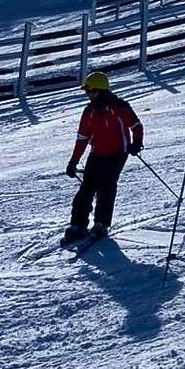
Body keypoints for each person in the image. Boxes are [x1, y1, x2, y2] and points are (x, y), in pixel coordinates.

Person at [61, 72, 143, 246]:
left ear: (102, 90)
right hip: (97, 153)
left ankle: (101, 224)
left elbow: (136, 126)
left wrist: (136, 143)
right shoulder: (89, 111)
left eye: (91, 91)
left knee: (106, 186)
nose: (88, 95)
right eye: (87, 92)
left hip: (118, 153)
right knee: (86, 188)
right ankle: (78, 225)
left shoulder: (120, 107)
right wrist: (73, 161)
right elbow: (82, 138)